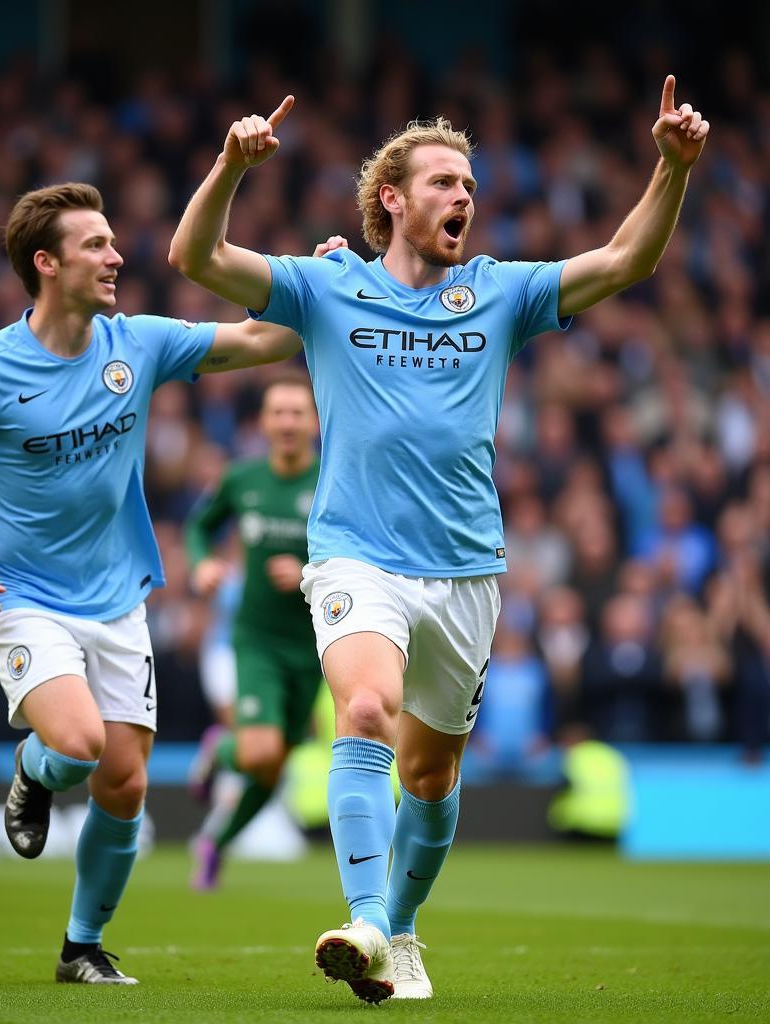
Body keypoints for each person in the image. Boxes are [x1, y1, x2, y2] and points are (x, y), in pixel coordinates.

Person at [168, 76, 709, 1002]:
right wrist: (228, 166)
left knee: (430, 775)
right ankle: (368, 920)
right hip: (355, 556)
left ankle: (402, 929)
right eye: (444, 182)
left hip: (465, 569)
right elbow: (195, 257)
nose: (465, 196)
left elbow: (625, 262)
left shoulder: (497, 292)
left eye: (469, 183)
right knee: (366, 712)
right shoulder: (326, 285)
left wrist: (673, 167)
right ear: (393, 198)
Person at [0, 182, 330, 986]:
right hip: (18, 595)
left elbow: (263, 342)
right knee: (81, 743)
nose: (116, 256)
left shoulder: (141, 343)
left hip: (118, 597)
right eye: (95, 244)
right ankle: (32, 772)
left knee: (125, 784)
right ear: (46, 263)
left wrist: (313, 283)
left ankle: (81, 947)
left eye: (113, 241)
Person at [186, 370, 322, 889]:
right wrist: (201, 565)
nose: (287, 422)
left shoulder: (334, 479)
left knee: (273, 767)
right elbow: (200, 525)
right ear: (264, 422)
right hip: (258, 640)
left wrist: (309, 574)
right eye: (278, 412)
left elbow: (362, 550)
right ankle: (220, 748)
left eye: (297, 412)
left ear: (313, 420)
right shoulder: (241, 479)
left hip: (315, 646)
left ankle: (213, 843)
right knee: (260, 751)